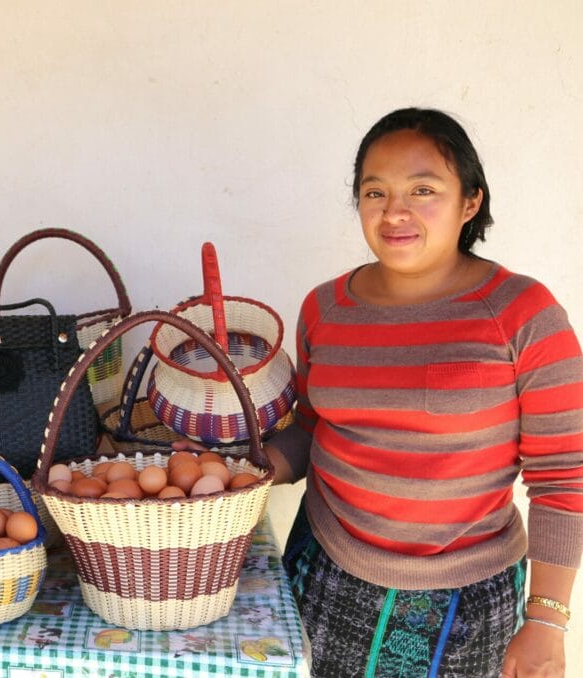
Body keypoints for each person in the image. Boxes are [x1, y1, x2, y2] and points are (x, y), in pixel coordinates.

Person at [176, 108, 582, 677]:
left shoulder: (523, 314)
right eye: (375, 192)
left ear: (470, 202)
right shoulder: (326, 308)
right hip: (326, 568)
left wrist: (546, 620)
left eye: (423, 190)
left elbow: (563, 477)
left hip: (463, 602)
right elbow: (313, 428)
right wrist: (245, 469)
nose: (394, 212)